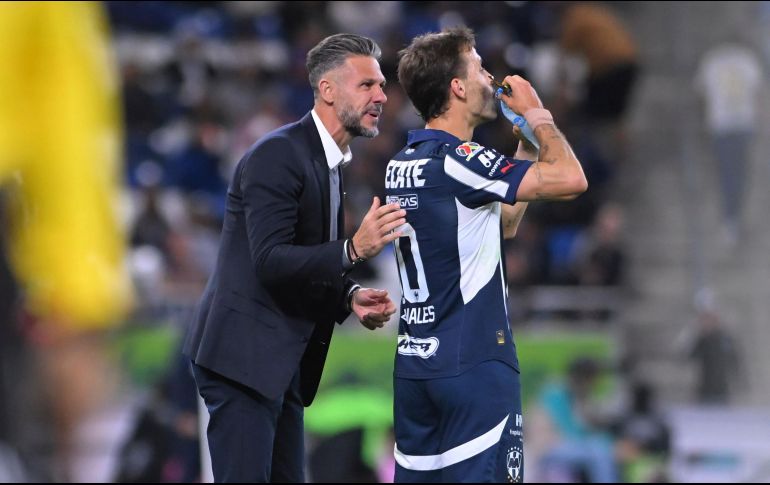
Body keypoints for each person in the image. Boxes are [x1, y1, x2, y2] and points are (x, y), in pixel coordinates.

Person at [183, 33, 406, 483]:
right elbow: (269, 259)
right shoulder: (278, 155)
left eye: (381, 86)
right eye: (367, 85)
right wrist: (352, 250)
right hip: (242, 361)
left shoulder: (327, 163)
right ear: (327, 90)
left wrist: (348, 296)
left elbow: (301, 259)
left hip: (277, 364)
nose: (381, 96)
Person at [387, 27, 587, 483]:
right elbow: (571, 179)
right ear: (456, 87)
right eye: (478, 67)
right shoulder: (462, 158)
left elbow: (501, 225)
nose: (490, 77)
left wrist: (525, 143)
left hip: (417, 368)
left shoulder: (403, 161)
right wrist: (538, 115)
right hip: (474, 362)